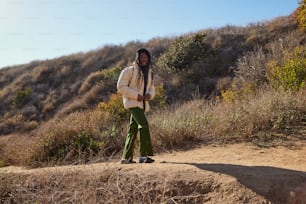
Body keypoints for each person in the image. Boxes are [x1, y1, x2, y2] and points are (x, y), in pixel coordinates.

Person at [117, 48, 156, 164]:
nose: (144, 59)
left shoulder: (150, 73)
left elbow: (152, 88)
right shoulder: (128, 71)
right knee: (143, 125)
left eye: (146, 57)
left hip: (143, 104)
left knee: (132, 129)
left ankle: (126, 158)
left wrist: (150, 95)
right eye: (142, 56)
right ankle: (143, 156)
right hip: (133, 103)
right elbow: (121, 86)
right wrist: (136, 95)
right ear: (137, 58)